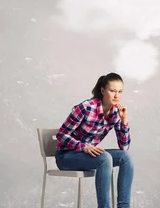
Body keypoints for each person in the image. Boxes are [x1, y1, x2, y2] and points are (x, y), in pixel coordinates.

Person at [55, 72, 134, 208]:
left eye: (120, 91)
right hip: (66, 156)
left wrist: (124, 121)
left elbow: (124, 147)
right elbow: (61, 135)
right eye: (112, 91)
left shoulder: (116, 113)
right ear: (103, 90)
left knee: (126, 157)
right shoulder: (85, 108)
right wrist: (83, 146)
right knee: (105, 158)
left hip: (88, 156)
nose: (116, 96)